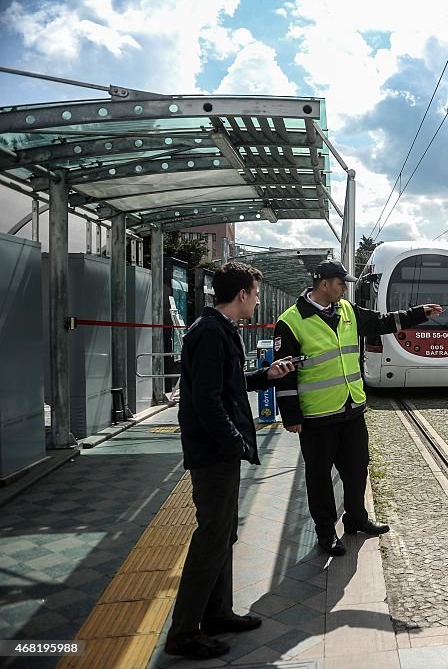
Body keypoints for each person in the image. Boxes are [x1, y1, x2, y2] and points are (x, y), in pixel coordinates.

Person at [166, 262, 297, 660]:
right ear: (242, 294)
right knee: (211, 539)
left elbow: (228, 385)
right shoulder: (209, 333)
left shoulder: (219, 330)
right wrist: (234, 441)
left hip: (219, 451)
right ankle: (185, 632)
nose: (257, 300)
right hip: (214, 454)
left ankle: (217, 612)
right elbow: (206, 399)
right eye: (256, 294)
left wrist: (266, 376)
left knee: (224, 535)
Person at [274, 260, 443, 556]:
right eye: (341, 283)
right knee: (319, 478)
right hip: (317, 416)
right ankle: (326, 533)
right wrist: (291, 415)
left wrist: (419, 314)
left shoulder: (347, 310)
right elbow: (283, 372)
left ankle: (356, 518)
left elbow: (382, 321)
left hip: (351, 409)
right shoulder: (290, 321)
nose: (345, 287)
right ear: (324, 284)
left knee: (356, 469)